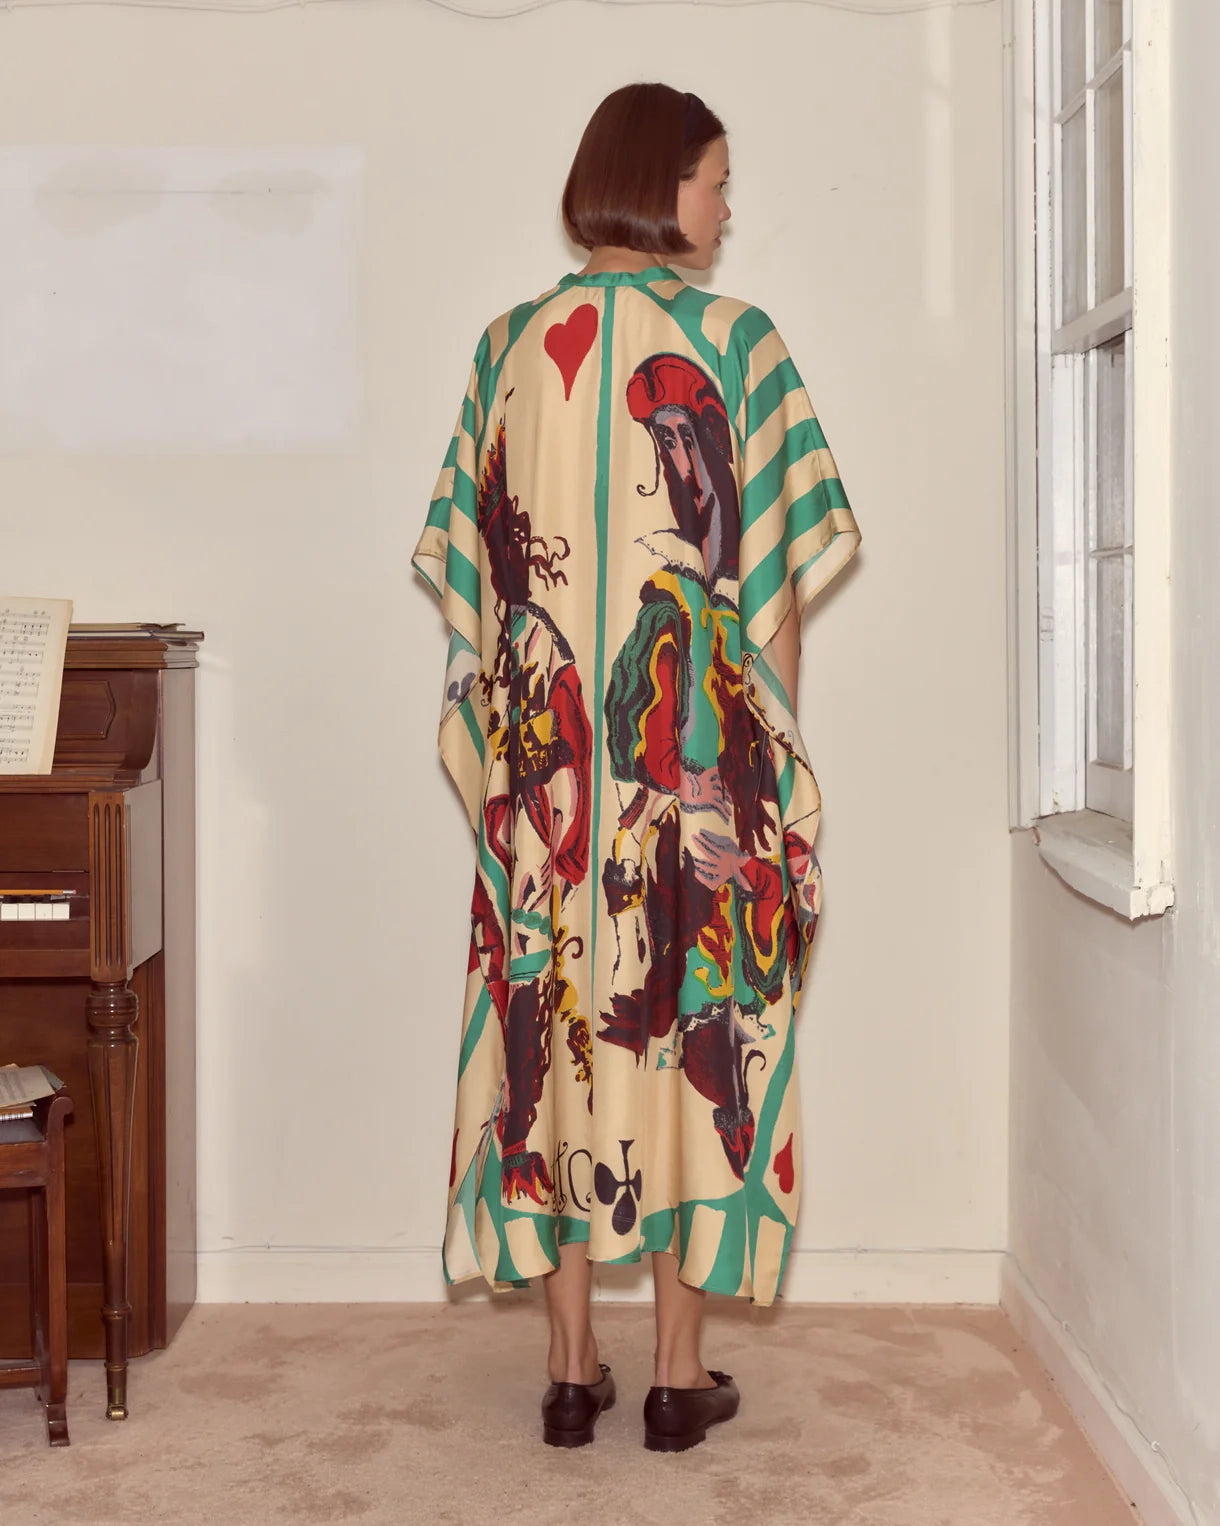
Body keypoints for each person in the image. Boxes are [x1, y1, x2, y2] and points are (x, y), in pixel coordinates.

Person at [412, 81, 861, 1452]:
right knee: (690, 1033)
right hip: (694, 785)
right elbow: (773, 603)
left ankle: (568, 1369)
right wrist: (771, 778)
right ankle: (674, 1372)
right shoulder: (742, 345)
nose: (728, 208)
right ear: (661, 185)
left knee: (553, 1040)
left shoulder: (505, 347)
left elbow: (475, 596)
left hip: (551, 801)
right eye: (717, 180)